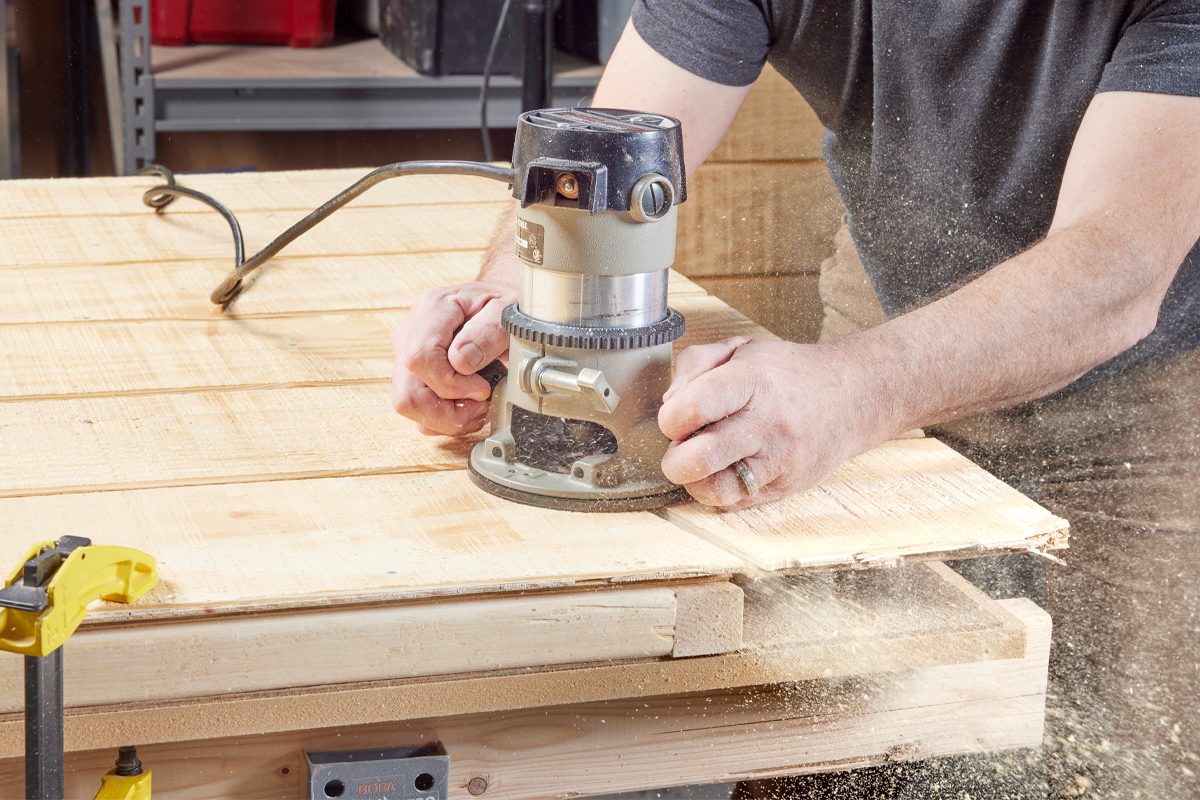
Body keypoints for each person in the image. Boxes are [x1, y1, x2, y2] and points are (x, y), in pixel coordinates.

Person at [391, 2, 1200, 797]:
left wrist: (853, 390)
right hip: (881, 323)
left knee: (1115, 746)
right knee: (827, 732)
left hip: (1141, 403)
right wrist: (511, 299)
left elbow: (1118, 270)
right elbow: (612, 150)